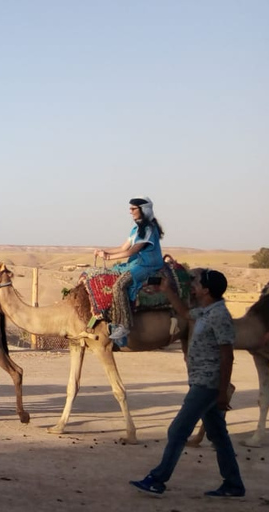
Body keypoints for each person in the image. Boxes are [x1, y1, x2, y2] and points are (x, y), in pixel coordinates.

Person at [129, 269, 245, 497]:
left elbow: (227, 355)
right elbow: (184, 312)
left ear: (207, 290)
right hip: (201, 382)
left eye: (197, 283)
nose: (194, 285)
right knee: (218, 435)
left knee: (177, 430)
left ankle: (158, 479)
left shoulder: (220, 316)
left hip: (207, 384)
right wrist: (167, 290)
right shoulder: (206, 311)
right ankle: (233, 484)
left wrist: (222, 392)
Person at [94, 196, 164, 343]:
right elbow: (122, 247)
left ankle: (124, 325)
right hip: (138, 262)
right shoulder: (136, 229)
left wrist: (107, 257)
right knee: (112, 274)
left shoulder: (148, 229)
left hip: (148, 265)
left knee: (119, 285)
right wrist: (103, 251)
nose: (130, 212)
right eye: (130, 208)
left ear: (143, 210)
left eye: (133, 209)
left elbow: (131, 251)